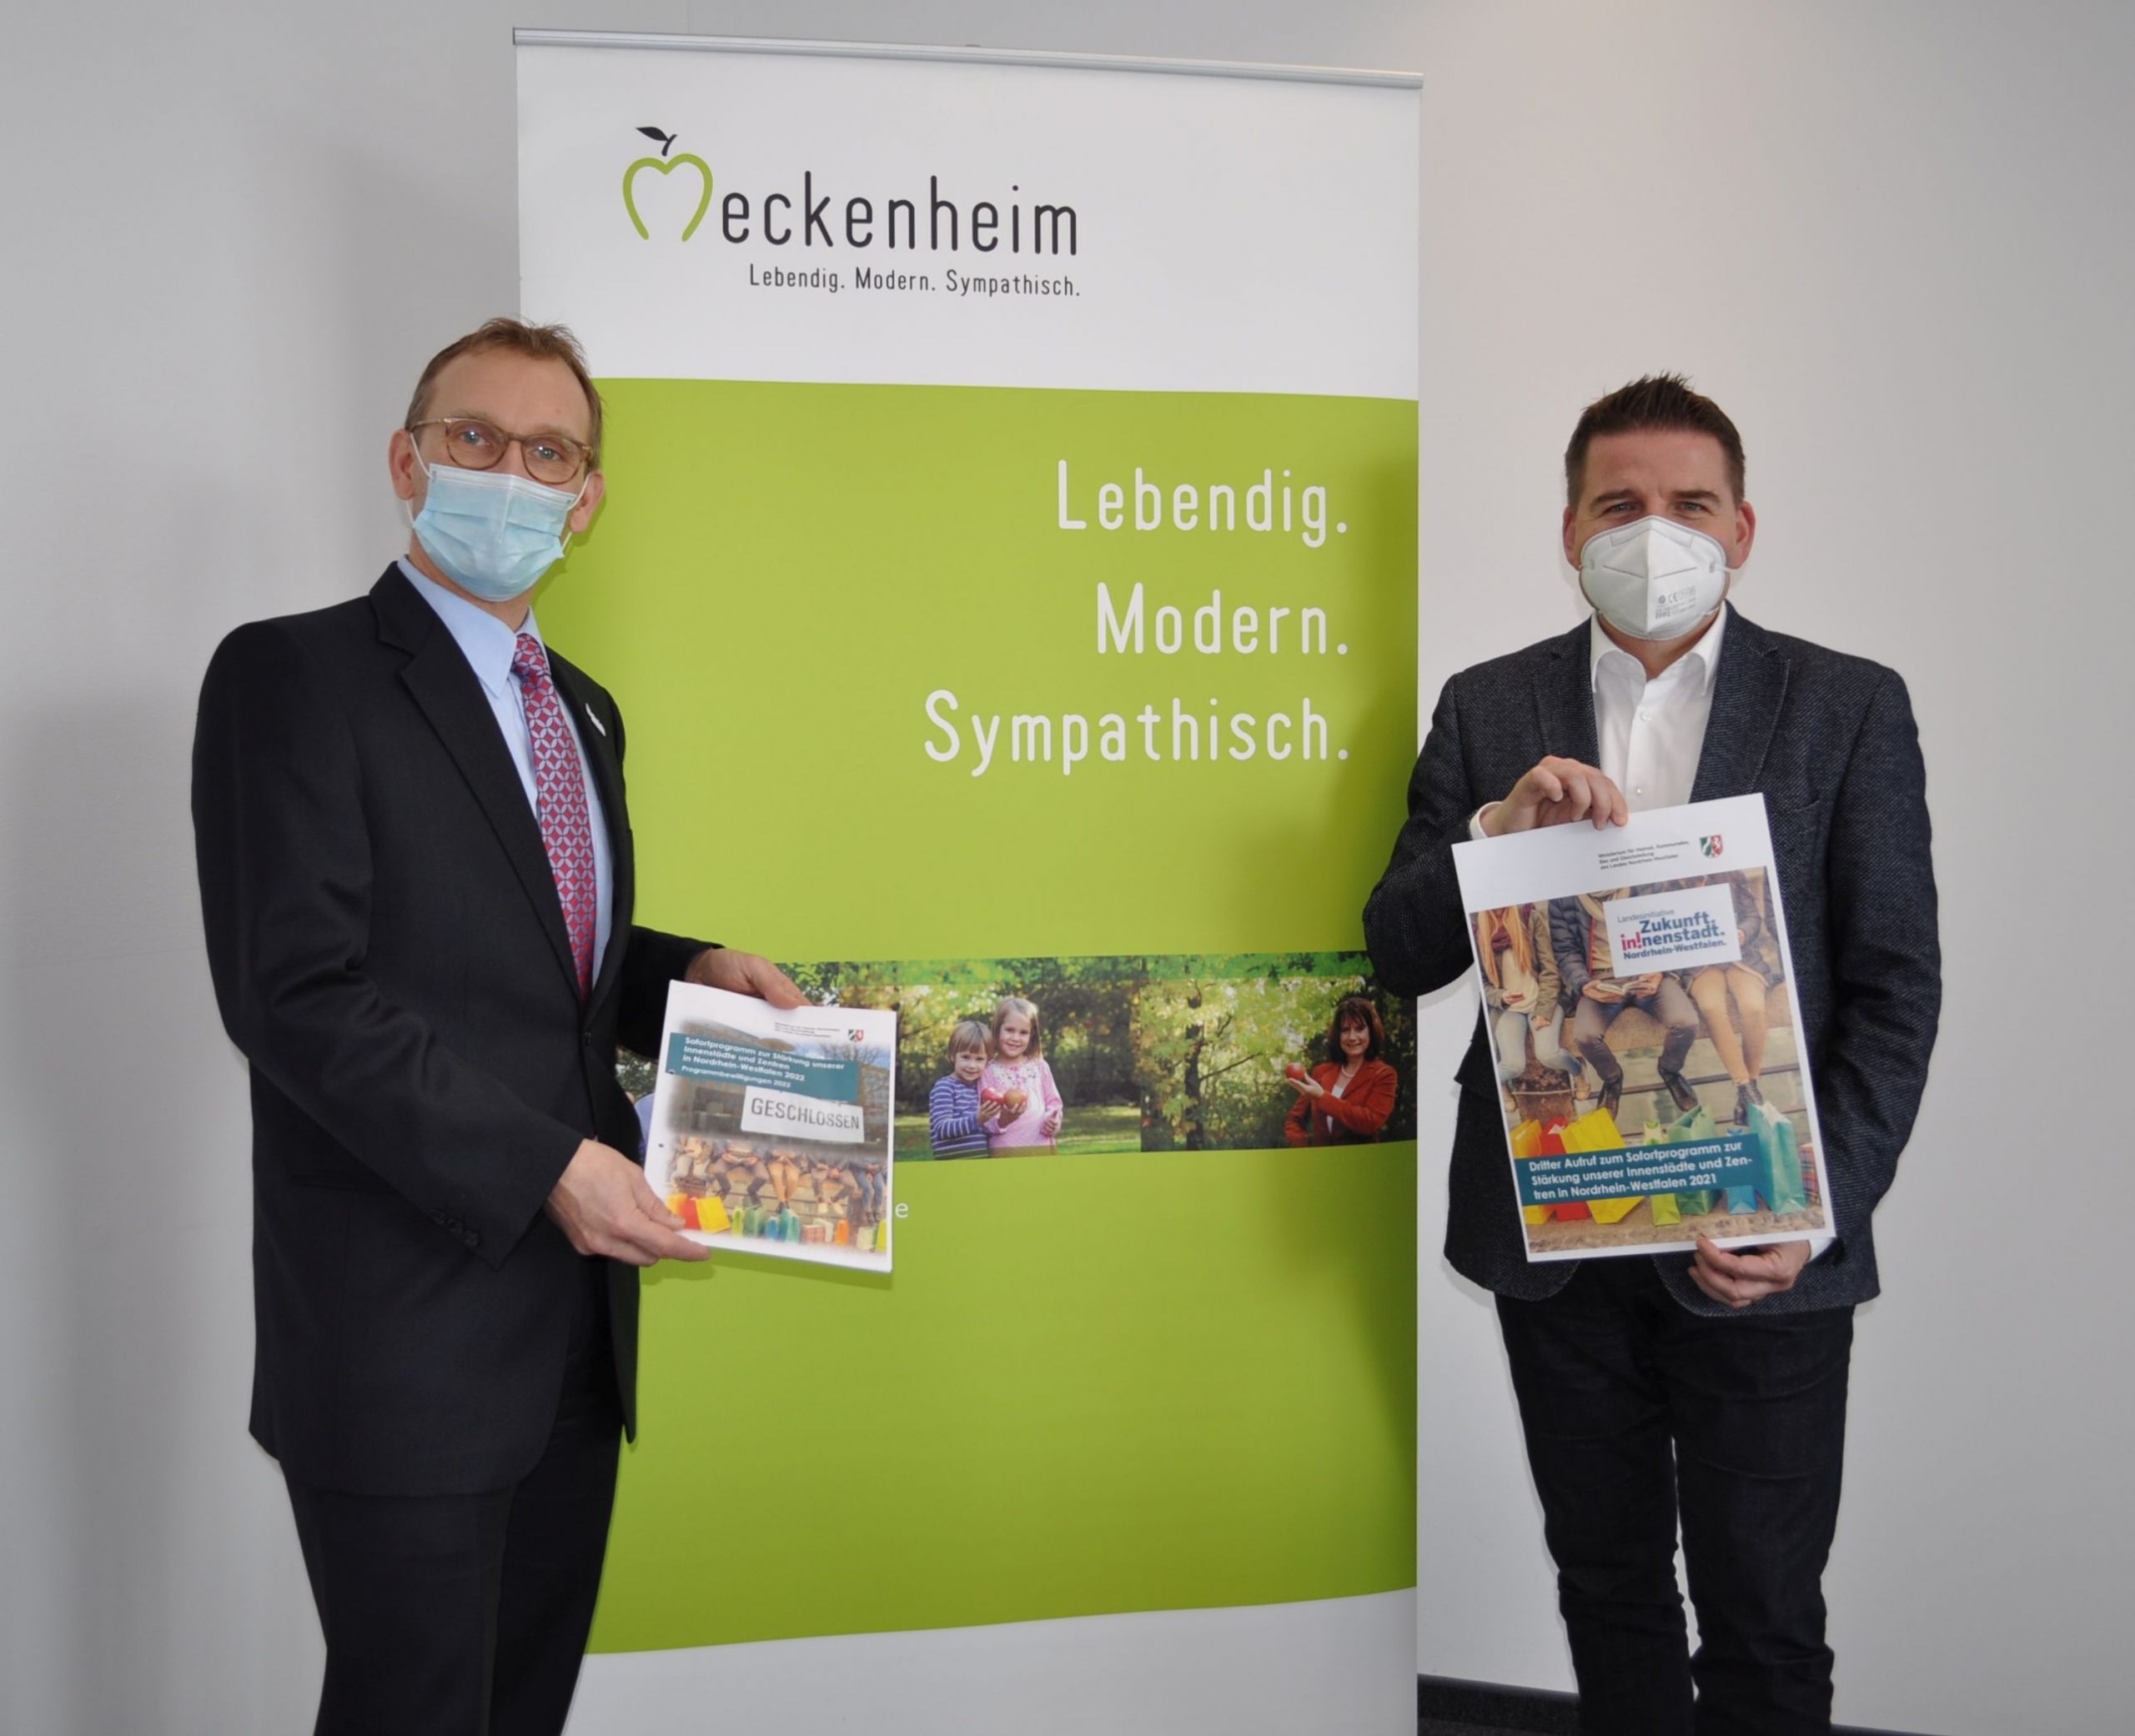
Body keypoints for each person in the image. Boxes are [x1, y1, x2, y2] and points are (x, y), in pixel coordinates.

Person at [190, 317, 806, 1736]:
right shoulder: (293, 676)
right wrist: (546, 1166)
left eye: (549, 452)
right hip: (404, 1334)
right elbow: (296, 993)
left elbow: (543, 957)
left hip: (574, 1338)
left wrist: (692, 973)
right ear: (408, 462)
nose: (510, 473)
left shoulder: (584, 708)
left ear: (586, 499)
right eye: (475, 438)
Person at [1364, 374, 1939, 1735]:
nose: (1655, 531)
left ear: (1743, 527)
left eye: (1689, 503)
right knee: (1608, 1589)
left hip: (1757, 1243)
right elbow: (1398, 951)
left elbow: (1895, 988)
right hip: (1556, 1235)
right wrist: (1492, 836)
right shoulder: (1489, 705)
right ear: (1570, 530)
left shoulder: (1847, 705)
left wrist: (1815, 1206)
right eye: (1620, 505)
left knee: (1764, 1614)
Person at [1549, 887, 1703, 1122]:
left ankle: (1670, 1070)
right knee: (1585, 1037)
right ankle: (1612, 1079)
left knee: (1686, 1023)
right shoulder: (1562, 897)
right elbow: (1565, 950)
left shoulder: (1639, 882)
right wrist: (1584, 984)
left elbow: (1667, 929)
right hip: (1600, 978)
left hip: (1645, 971)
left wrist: (1660, 971)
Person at [1681, 871, 1786, 1126]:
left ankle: (1749, 1087)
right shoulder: (1667, 883)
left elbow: (1752, 917)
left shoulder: (1729, 873)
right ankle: (1744, 1086)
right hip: (1701, 964)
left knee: (1753, 1007)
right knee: (1711, 1007)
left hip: (1740, 957)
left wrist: (1742, 932)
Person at [1474, 904, 1584, 1106]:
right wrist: (1501, 996)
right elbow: (1483, 985)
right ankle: (1498, 1084)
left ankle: (1578, 1072)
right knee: (1512, 1066)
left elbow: (1550, 971)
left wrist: (1544, 1010)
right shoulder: (1477, 931)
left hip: (1542, 1001)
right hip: (1508, 1010)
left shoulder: (1529, 918)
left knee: (1548, 1054)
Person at [1284, 993, 1400, 1146]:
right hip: (1321, 1159)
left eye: (1359, 1029)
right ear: (1338, 1034)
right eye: (1345, 1030)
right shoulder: (1321, 1072)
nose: (1352, 1037)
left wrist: (1322, 1097)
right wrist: (1303, 1150)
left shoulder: (1384, 1075)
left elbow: (1369, 1123)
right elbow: (1294, 1119)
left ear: (1371, 1032)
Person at [982, 995, 1064, 1153]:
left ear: (1031, 1035)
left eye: (1023, 1032)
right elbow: (984, 1119)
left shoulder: (1039, 1066)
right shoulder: (988, 1071)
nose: (1016, 1038)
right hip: (1005, 1151)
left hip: (1041, 1148)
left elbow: (1054, 1103)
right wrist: (1003, 1120)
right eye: (1010, 1030)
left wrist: (1053, 1121)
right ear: (997, 1029)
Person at [927, 1019, 996, 1156]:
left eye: (979, 1059)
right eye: (966, 1057)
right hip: (952, 1165)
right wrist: (977, 1119)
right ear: (953, 1056)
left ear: (987, 1061)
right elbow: (942, 1129)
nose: (972, 1065)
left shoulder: (981, 1088)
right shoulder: (945, 1087)